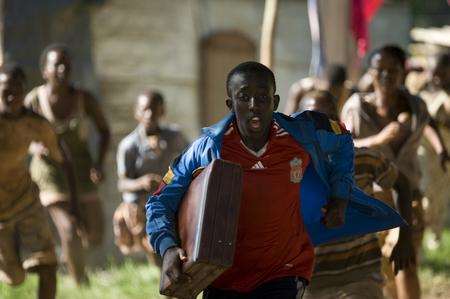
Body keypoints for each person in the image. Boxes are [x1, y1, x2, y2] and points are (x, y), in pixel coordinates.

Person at [146, 61, 403, 299]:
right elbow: (158, 202)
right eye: (243, 97)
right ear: (230, 104)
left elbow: (343, 140)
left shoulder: (302, 135)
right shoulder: (207, 150)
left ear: (275, 100)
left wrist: (339, 195)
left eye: (262, 97)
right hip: (221, 275)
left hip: (284, 271)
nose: (254, 105)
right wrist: (168, 248)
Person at [341, 45, 448, 299]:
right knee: (377, 274)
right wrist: (378, 140)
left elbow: (429, 121)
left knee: (406, 265)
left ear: (404, 73)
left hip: (408, 202)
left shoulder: (415, 107)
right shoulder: (356, 108)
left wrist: (440, 147)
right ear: (371, 72)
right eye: (380, 70)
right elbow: (341, 146)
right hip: (369, 203)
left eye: (394, 70)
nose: (387, 76)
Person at [298, 90, 415, 299]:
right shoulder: (292, 170)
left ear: (339, 123)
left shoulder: (362, 159)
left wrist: (406, 236)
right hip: (311, 281)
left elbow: (403, 184)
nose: (321, 129)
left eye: (328, 119)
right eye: (311, 121)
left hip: (360, 277)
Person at [25, 44, 111, 258]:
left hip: (81, 169)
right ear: (45, 71)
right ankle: (78, 284)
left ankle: (70, 258)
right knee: (69, 230)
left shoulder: (84, 99)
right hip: (49, 171)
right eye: (57, 65)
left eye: (67, 65)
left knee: (95, 234)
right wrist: (33, 147)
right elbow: (18, 134)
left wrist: (99, 163)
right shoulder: (34, 101)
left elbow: (104, 132)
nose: (63, 69)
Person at [0, 63, 60, 299]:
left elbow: (58, 153)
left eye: (17, 91)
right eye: (5, 91)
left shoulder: (35, 124)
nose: (12, 97)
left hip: (26, 202)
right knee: (15, 279)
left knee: (47, 265)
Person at [114, 90, 188, 262]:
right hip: (143, 206)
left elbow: (190, 159)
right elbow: (122, 183)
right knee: (158, 247)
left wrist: (168, 180)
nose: (149, 115)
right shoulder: (129, 145)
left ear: (162, 111)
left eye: (154, 110)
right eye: (144, 110)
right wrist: (142, 182)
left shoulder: (174, 136)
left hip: (170, 198)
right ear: (136, 113)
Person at [418, 52, 450, 249]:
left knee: (438, 197)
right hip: (422, 152)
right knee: (424, 194)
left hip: (443, 154)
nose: (437, 78)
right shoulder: (420, 89)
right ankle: (425, 237)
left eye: (442, 73)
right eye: (433, 72)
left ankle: (434, 237)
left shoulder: (446, 96)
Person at [284, 64, 352, 115]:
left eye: (334, 92)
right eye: (328, 90)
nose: (329, 95)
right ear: (322, 81)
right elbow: (288, 118)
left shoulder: (344, 91)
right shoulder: (301, 89)